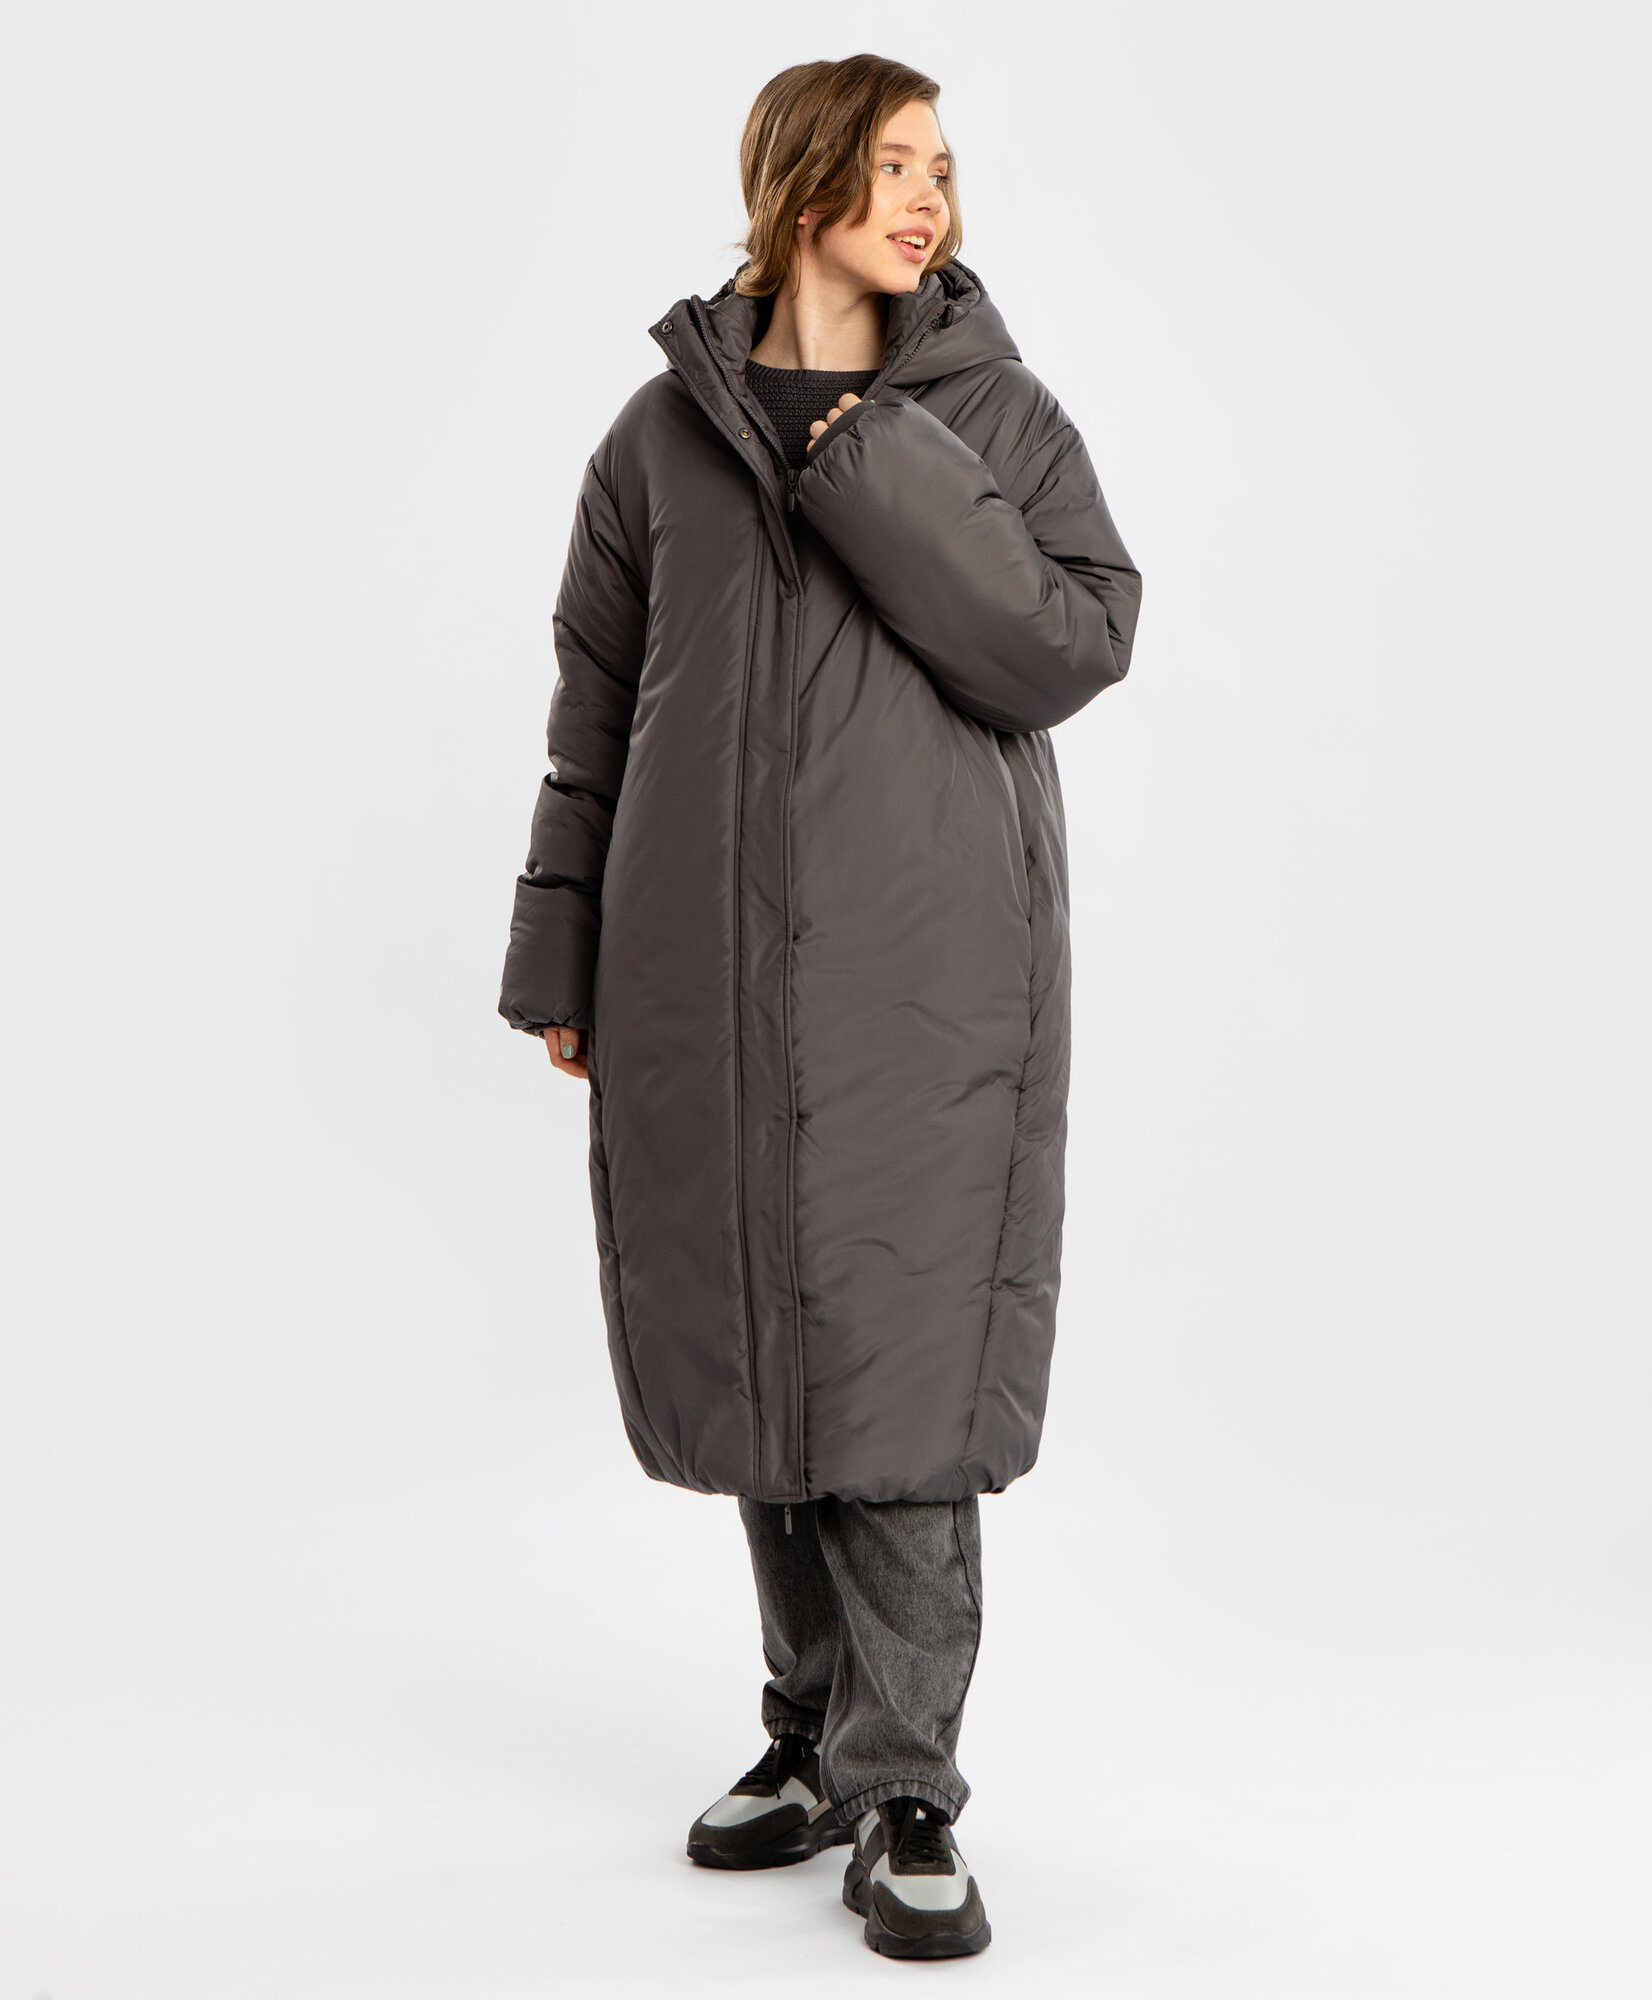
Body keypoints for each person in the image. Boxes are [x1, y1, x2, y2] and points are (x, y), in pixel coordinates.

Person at [499, 52, 1142, 1960]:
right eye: (893, 164)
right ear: (799, 189)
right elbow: (596, 711)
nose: (931, 198)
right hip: (698, 962)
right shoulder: (656, 441)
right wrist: (559, 958)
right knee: (765, 1356)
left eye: (943, 166)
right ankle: (812, 1736)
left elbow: (1072, 642)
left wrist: (878, 460)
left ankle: (910, 1785)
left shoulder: (994, 412)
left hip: (926, 975)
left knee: (900, 1368)